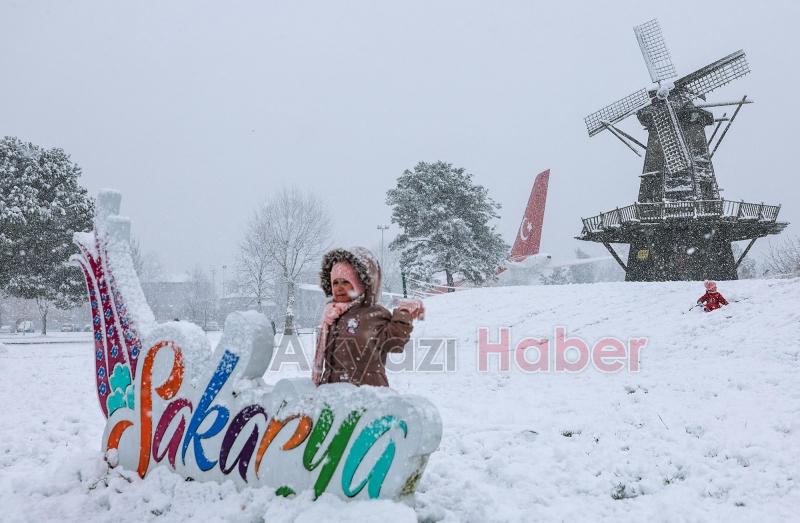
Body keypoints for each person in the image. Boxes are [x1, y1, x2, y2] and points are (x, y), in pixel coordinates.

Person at [312, 247, 424, 387]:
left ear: (360, 283)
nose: (339, 288)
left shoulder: (374, 314)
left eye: (346, 282)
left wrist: (403, 315)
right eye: (335, 282)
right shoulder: (331, 316)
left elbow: (394, 344)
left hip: (367, 392)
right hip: (333, 394)